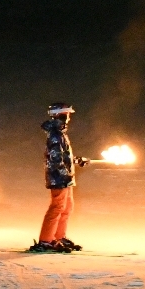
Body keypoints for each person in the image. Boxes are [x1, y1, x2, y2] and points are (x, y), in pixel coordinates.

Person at [29, 103, 89, 253]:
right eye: (68, 115)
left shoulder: (60, 133)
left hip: (65, 178)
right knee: (57, 207)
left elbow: (63, 156)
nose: (69, 118)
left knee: (67, 207)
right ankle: (46, 241)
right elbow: (55, 159)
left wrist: (76, 160)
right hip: (59, 178)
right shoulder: (55, 134)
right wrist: (65, 174)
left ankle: (58, 237)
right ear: (61, 115)